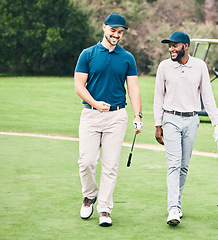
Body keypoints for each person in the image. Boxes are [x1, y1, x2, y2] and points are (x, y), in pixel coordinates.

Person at [74, 13, 143, 227]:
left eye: (120, 32)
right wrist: (95, 103)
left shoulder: (127, 58)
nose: (116, 35)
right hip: (91, 115)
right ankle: (89, 196)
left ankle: (104, 207)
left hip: (117, 116)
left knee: (110, 165)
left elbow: (133, 89)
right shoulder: (88, 54)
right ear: (104, 27)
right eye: (113, 30)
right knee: (86, 162)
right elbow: (79, 86)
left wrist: (137, 115)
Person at [153, 31, 218, 226]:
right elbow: (158, 97)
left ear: (185, 46)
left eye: (175, 45)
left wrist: (216, 123)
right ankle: (173, 208)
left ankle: (177, 203)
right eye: (169, 45)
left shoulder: (199, 66)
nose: (171, 49)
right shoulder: (164, 66)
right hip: (171, 119)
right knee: (174, 164)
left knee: (184, 166)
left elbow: (207, 97)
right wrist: (158, 124)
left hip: (192, 120)